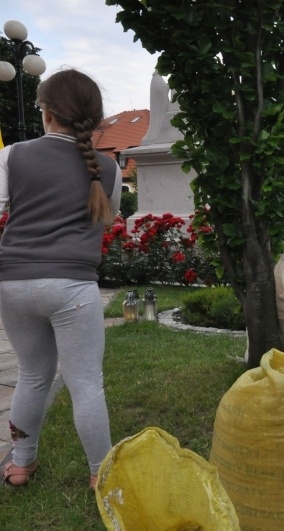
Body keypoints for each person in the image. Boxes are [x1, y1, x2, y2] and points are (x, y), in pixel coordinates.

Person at [0, 69, 121, 489]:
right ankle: (100, 474)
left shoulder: (12, 155)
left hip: (13, 283)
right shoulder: (107, 169)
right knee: (85, 382)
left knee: (32, 375)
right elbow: (107, 218)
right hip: (72, 287)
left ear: (47, 113)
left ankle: (20, 464)